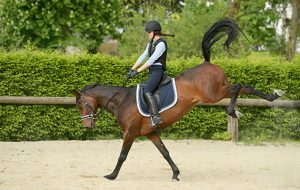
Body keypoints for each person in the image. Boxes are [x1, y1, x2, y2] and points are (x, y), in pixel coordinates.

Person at [127, 20, 173, 127]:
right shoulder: (151, 44)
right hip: (152, 71)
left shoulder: (161, 44)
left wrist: (137, 72)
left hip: (158, 71)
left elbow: (150, 61)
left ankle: (156, 117)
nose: (147, 34)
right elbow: (142, 57)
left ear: (154, 32)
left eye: (149, 32)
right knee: (143, 89)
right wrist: (132, 69)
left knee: (147, 91)